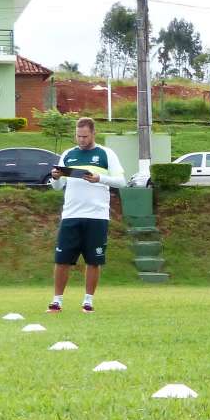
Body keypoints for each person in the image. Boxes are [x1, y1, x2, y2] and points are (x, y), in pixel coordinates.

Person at [47, 117, 125, 313]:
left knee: (93, 260)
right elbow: (57, 187)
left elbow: (122, 181)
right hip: (71, 214)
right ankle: (57, 301)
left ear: (93, 134)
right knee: (62, 260)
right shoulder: (68, 154)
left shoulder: (106, 154)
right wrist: (55, 177)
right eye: (78, 136)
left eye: (85, 136)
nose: (81, 140)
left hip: (97, 216)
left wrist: (99, 178)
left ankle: (88, 301)